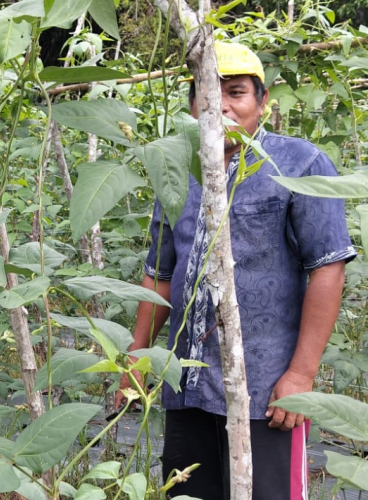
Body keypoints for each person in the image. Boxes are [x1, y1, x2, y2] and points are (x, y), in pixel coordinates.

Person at [116, 41, 356, 499]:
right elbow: (160, 272)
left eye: (236, 92)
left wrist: (301, 376)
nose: (220, 104)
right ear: (191, 104)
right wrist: (136, 354)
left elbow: (328, 268)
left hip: (267, 391)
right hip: (186, 384)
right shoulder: (178, 170)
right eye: (206, 91)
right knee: (188, 493)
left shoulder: (300, 164)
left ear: (262, 103)